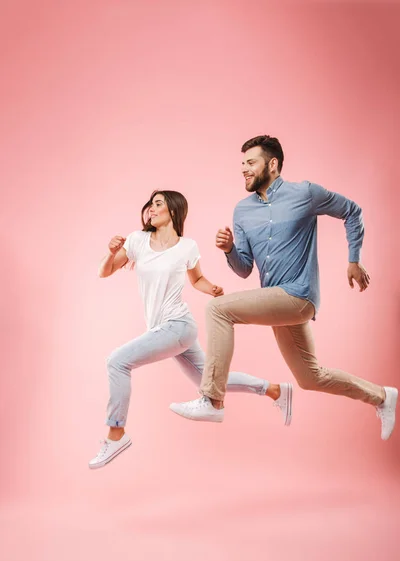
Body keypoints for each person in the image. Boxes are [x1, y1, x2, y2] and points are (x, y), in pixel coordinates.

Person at [169, 136, 398, 440]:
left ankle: (213, 400)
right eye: (242, 165)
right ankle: (382, 396)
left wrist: (353, 260)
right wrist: (229, 250)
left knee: (217, 308)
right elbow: (244, 269)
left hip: (299, 295)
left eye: (251, 163)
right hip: (276, 301)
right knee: (310, 377)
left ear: (272, 164)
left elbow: (352, 212)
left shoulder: (304, 193)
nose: (244, 170)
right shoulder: (242, 211)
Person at [89, 189, 292, 469]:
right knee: (206, 382)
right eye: (150, 203)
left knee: (117, 362)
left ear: (173, 210)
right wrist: (110, 253)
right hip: (164, 330)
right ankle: (274, 390)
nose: (151, 208)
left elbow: (197, 279)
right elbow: (104, 271)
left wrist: (212, 290)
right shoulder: (137, 241)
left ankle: (116, 433)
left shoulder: (188, 247)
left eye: (158, 203)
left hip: (178, 325)